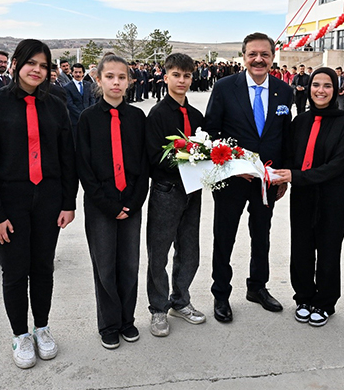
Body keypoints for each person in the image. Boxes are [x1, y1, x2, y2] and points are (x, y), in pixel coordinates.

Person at [0, 39, 77, 369]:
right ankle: (20, 334)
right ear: (16, 63)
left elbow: (67, 157)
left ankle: (41, 327)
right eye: (31, 63)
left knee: (43, 267)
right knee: (15, 271)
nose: (37, 70)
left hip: (48, 199)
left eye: (44, 65)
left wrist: (68, 202)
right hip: (9, 202)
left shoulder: (55, 105)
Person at [203, 32, 292, 323]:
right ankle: (221, 294)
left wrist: (283, 175)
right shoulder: (224, 87)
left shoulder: (284, 91)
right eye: (252, 54)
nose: (258, 59)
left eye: (264, 54)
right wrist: (231, 166)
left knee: (262, 236)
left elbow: (285, 135)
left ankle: (257, 287)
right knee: (224, 237)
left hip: (267, 181)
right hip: (232, 180)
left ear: (273, 57)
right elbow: (211, 132)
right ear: (243, 56)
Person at [272, 67, 344, 327]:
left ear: (336, 89)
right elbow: (290, 155)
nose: (321, 90)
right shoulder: (300, 121)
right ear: (308, 89)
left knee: (329, 250)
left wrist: (296, 176)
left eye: (327, 85)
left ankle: (325, 302)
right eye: (316, 85)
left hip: (332, 197)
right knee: (301, 248)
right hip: (303, 196)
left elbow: (338, 164)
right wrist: (282, 176)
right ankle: (304, 297)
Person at [76, 55, 148, 349]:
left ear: (129, 81)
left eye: (121, 77)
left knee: (129, 264)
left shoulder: (137, 118)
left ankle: (127, 320)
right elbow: (84, 168)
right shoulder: (88, 118)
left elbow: (144, 164)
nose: (116, 82)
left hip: (130, 202)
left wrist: (134, 202)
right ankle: (108, 323)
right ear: (99, 80)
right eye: (110, 77)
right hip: (101, 204)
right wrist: (108, 205)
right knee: (105, 264)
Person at [146, 53, 206, 338]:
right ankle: (158, 307)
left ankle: (180, 300)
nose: (182, 80)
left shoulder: (196, 116)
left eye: (187, 75)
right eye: (176, 75)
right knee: (159, 253)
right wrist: (185, 159)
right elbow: (153, 157)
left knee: (189, 250)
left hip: (193, 191)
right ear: (166, 76)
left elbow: (206, 151)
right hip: (166, 191)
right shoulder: (157, 115)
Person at [65, 63, 96, 136]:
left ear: (83, 73)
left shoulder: (88, 85)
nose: (78, 74)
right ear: (72, 73)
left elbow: (92, 99)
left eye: (80, 72)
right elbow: (70, 104)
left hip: (89, 119)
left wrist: (89, 112)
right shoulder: (67, 87)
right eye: (76, 72)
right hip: (75, 121)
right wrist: (82, 115)